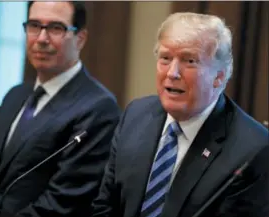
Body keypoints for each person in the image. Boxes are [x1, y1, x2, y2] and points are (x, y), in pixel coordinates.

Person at [91, 12, 269, 217]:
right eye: (165, 58)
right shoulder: (135, 115)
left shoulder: (253, 149)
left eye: (189, 61)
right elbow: (105, 205)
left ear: (219, 76)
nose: (172, 73)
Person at [0, 1, 120, 217]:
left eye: (55, 28)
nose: (41, 39)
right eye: (34, 26)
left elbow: (64, 204)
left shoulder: (98, 108)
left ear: (80, 39)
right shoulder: (15, 95)